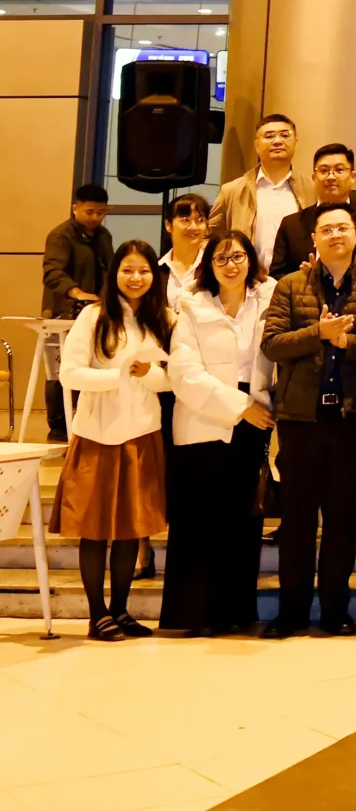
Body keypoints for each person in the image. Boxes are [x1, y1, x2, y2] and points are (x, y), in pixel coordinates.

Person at [262, 201, 356, 636]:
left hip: (351, 418)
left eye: (343, 228)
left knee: (341, 518)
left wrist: (345, 341)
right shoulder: (290, 285)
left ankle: (335, 610)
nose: (336, 235)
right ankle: (291, 613)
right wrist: (318, 333)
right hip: (300, 417)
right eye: (327, 229)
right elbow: (272, 344)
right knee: (297, 519)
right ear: (314, 239)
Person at [54, 241, 171, 641]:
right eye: (128, 270)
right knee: (94, 528)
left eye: (143, 270)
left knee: (131, 529)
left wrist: (147, 373)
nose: (136, 278)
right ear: (115, 273)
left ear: (153, 275)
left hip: (142, 433)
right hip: (98, 434)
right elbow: (69, 374)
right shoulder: (94, 316)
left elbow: (173, 379)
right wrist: (118, 374)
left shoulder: (162, 318)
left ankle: (120, 610)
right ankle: (97, 614)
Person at [164, 229, 275, 635]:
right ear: (209, 265)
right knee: (199, 523)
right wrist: (239, 406)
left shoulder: (269, 299)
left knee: (243, 522)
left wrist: (260, 407)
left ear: (251, 260)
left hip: (256, 421)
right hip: (204, 423)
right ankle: (196, 615)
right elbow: (183, 373)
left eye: (238, 256)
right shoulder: (192, 306)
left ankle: (237, 612)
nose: (231, 265)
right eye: (221, 258)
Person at [40, 183, 112, 440]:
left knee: (91, 365)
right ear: (75, 208)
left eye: (101, 212)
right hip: (64, 311)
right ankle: (58, 426)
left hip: (96, 312)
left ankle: (85, 421)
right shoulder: (60, 235)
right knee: (59, 372)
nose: (95, 218)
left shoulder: (104, 236)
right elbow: (52, 273)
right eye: (90, 211)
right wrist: (77, 292)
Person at [271, 143, 356, 275]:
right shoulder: (291, 224)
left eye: (339, 170)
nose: (331, 177)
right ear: (314, 178)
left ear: (352, 177)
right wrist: (303, 280)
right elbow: (277, 275)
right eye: (324, 171)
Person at [215, 111, 302, 271]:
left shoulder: (311, 189)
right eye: (269, 136)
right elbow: (210, 238)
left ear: (296, 143)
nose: (278, 141)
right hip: (247, 279)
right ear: (257, 145)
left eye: (285, 135)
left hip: (296, 281)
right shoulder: (232, 191)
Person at [159, 192, 211, 288]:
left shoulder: (214, 268)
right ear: (168, 225)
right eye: (185, 220)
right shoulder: (156, 270)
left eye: (200, 220)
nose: (193, 227)